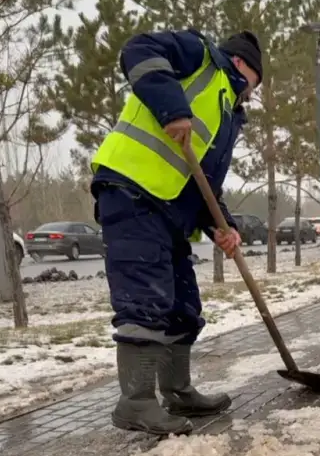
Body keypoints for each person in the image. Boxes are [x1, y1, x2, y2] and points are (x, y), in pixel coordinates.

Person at [91, 28, 262, 435]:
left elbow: (202, 182)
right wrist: (172, 109)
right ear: (242, 65)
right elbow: (138, 48)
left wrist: (222, 225)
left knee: (183, 305)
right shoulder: (200, 57)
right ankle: (136, 401)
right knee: (145, 297)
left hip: (170, 211)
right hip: (132, 191)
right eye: (255, 83)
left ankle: (177, 390)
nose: (253, 93)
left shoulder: (226, 113)